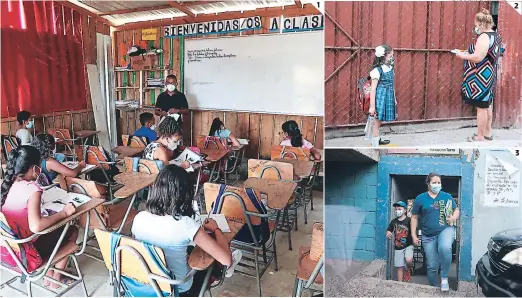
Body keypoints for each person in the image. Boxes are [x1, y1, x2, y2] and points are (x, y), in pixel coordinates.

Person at [131, 165, 242, 297]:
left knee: (188, 251)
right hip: (178, 290)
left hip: (142, 283)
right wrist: (216, 228)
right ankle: (218, 275)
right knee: (209, 261)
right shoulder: (185, 225)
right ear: (184, 194)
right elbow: (226, 260)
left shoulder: (139, 218)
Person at [0, 146, 78, 289]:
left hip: (9, 251)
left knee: (53, 231)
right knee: (71, 230)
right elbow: (36, 226)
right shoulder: (32, 189)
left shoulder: (6, 185)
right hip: (29, 253)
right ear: (34, 168)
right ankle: (55, 279)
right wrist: (64, 213)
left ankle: (49, 276)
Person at [455, 9, 502, 142]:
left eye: (476, 25)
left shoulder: (484, 37)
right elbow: (486, 53)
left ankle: (480, 136)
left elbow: (477, 57)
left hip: (480, 77)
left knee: (481, 107)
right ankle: (487, 133)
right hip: (488, 75)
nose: (475, 27)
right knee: (488, 104)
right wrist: (466, 51)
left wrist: (461, 55)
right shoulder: (495, 35)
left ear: (481, 24)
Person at [411, 173, 460, 292]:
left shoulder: (447, 196)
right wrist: (413, 234)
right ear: (428, 184)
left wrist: (453, 218)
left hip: (445, 229)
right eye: (434, 182)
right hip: (428, 235)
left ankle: (444, 278)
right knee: (432, 266)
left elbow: (456, 210)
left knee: (444, 247)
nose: (437, 185)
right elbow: (414, 217)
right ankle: (432, 288)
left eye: (439, 182)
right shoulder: (420, 198)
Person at [368, 45, 397, 147]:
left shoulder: (390, 68)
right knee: (376, 123)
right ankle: (375, 145)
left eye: (392, 56)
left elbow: (392, 85)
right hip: (380, 98)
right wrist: (372, 106)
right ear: (383, 57)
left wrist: (394, 98)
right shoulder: (377, 71)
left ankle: (376, 139)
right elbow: (373, 89)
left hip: (388, 97)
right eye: (390, 56)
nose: (392, 58)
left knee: (379, 121)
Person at [386, 201, 413, 282]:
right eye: (396, 209)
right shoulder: (394, 221)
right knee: (399, 266)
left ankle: (408, 269)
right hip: (398, 247)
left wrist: (415, 238)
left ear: (405, 210)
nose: (397, 210)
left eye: (399, 209)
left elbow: (414, 230)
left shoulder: (409, 220)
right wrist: (388, 234)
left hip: (408, 245)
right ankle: (400, 284)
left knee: (408, 260)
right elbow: (389, 230)